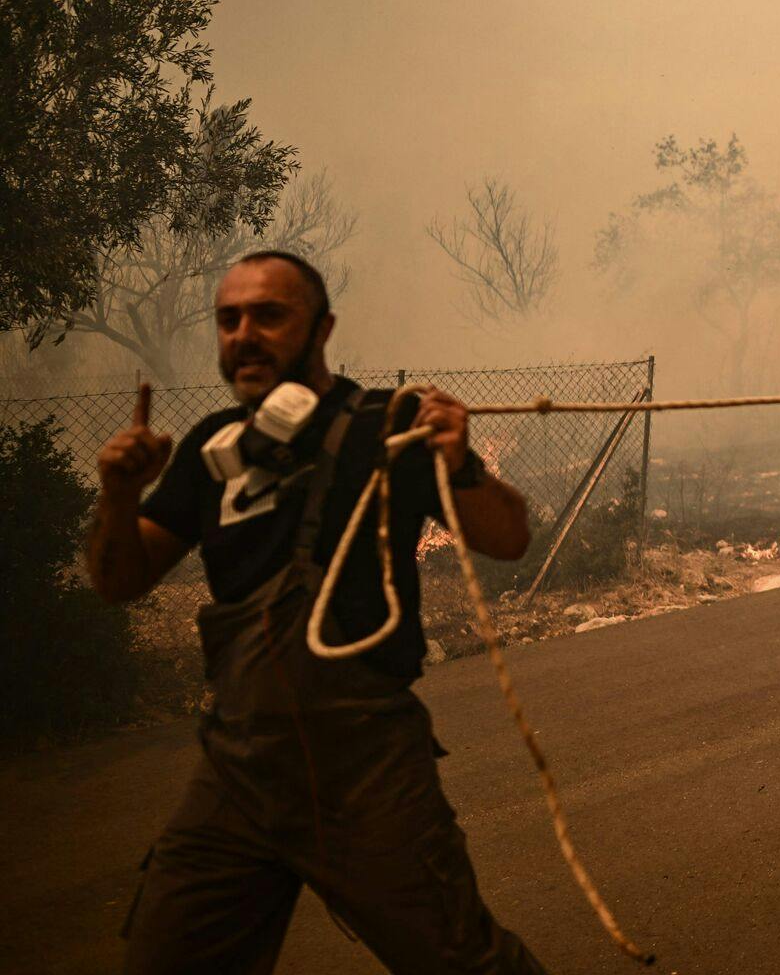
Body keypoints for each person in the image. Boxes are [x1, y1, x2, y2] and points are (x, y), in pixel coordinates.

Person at [90, 249, 548, 974]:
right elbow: (121, 580)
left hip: (367, 770)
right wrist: (117, 494)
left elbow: (509, 538)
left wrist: (460, 463)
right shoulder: (212, 444)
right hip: (236, 769)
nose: (244, 334)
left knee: (463, 962)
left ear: (322, 327)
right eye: (228, 319)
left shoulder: (385, 426)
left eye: (269, 315)